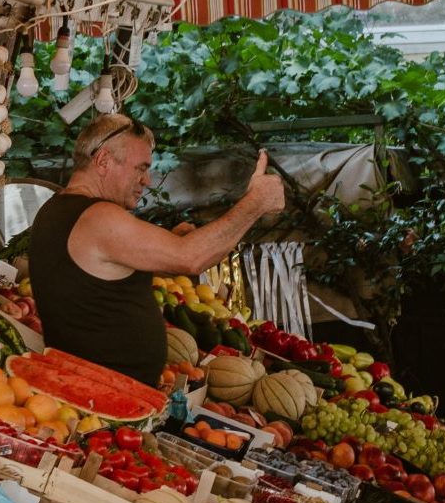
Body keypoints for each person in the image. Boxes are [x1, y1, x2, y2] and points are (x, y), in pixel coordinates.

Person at [29, 112, 284, 388]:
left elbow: (104, 270)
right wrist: (256, 203)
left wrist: (173, 243)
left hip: (97, 386)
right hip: (104, 392)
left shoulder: (60, 208)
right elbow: (191, 258)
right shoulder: (98, 217)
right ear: (102, 160)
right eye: (140, 168)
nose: (147, 180)